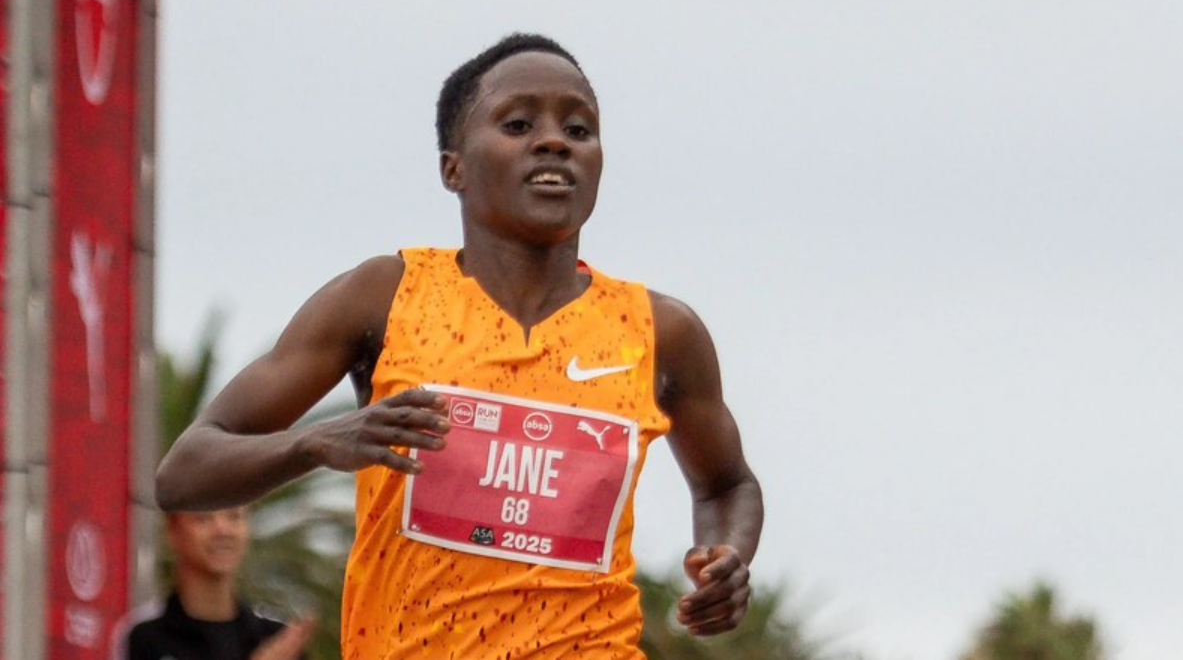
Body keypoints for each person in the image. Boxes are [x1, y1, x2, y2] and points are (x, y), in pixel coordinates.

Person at [156, 33, 763, 659]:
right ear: (454, 168)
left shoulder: (660, 331)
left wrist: (727, 556)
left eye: (579, 129)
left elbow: (726, 484)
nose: (555, 141)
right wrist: (315, 442)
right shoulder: (384, 297)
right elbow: (185, 473)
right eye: (519, 123)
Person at [115, 508, 315, 660]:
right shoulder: (143, 637)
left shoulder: (276, 637)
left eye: (234, 516)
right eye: (203, 518)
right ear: (172, 530)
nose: (222, 531)